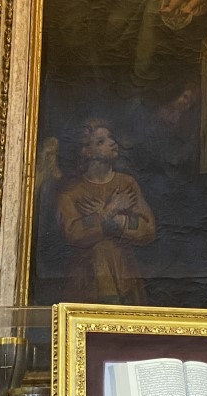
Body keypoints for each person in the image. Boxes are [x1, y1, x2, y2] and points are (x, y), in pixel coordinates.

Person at [56, 120, 156, 304]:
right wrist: (108, 212)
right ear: (86, 151)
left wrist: (116, 220)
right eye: (101, 141)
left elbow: (148, 229)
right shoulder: (72, 192)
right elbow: (73, 232)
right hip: (89, 280)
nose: (112, 143)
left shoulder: (127, 184)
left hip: (125, 274)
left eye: (111, 137)